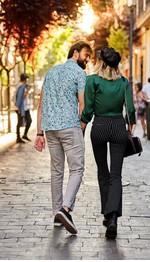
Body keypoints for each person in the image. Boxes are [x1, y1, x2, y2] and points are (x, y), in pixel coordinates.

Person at [34, 41, 92, 235]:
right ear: (75, 53)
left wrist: (39, 133)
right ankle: (65, 209)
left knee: (56, 171)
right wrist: (81, 129)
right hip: (69, 126)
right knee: (77, 168)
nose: (88, 59)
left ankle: (56, 214)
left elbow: (41, 104)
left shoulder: (50, 72)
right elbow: (82, 105)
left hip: (50, 129)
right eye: (86, 54)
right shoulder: (79, 73)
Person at [80, 46, 136, 239]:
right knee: (116, 175)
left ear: (102, 63)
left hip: (100, 126)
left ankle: (107, 212)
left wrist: (83, 125)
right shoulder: (123, 81)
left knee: (103, 172)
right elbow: (129, 106)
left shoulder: (92, 80)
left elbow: (87, 108)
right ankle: (112, 217)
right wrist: (132, 125)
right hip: (118, 126)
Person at [15, 73, 32, 143]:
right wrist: (26, 92)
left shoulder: (23, 86)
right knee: (19, 122)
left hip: (25, 107)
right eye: (26, 79)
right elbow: (20, 98)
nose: (27, 80)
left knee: (29, 121)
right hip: (20, 108)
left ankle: (24, 135)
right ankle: (18, 138)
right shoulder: (20, 87)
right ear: (24, 79)